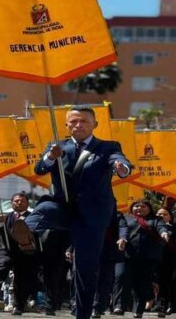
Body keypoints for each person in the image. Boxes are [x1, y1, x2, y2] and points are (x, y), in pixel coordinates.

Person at [26, 106, 132, 319]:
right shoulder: (57, 146)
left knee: (84, 268)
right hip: (62, 207)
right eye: (73, 121)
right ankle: (25, 236)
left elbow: (119, 161)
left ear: (94, 124)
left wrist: (122, 168)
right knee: (42, 210)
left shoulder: (107, 147)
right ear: (66, 125)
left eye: (84, 121)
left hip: (91, 217)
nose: (78, 125)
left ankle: (82, 314)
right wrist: (50, 156)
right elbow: (39, 169)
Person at [113, 199, 168, 318]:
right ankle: (119, 306)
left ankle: (138, 310)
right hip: (126, 255)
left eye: (143, 206)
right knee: (121, 277)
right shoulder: (125, 218)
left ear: (149, 208)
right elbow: (122, 230)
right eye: (137, 206)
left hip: (147, 258)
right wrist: (122, 239)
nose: (139, 208)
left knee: (142, 284)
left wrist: (164, 233)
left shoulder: (156, 220)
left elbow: (162, 228)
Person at [0, 192, 38, 316]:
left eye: (22, 201)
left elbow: (36, 234)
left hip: (24, 251)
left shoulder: (33, 217)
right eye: (16, 201)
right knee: (4, 263)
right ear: (12, 203)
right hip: (6, 249)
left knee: (20, 280)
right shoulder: (5, 217)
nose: (19, 203)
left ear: (27, 203)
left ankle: (18, 306)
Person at [154, 207, 176, 317]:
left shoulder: (175, 228)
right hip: (151, 259)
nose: (161, 216)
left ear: (170, 216)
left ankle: (162, 306)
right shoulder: (150, 225)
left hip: (168, 260)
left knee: (165, 284)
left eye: (164, 214)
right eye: (159, 214)